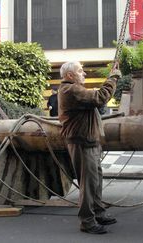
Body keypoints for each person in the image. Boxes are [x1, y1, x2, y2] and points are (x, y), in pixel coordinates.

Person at [58, 61, 121, 234]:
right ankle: (87, 221)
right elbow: (99, 97)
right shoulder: (70, 90)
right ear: (70, 75)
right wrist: (113, 78)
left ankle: (98, 212)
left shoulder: (73, 89)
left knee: (95, 180)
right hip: (82, 142)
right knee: (88, 183)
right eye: (80, 71)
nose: (84, 73)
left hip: (89, 141)